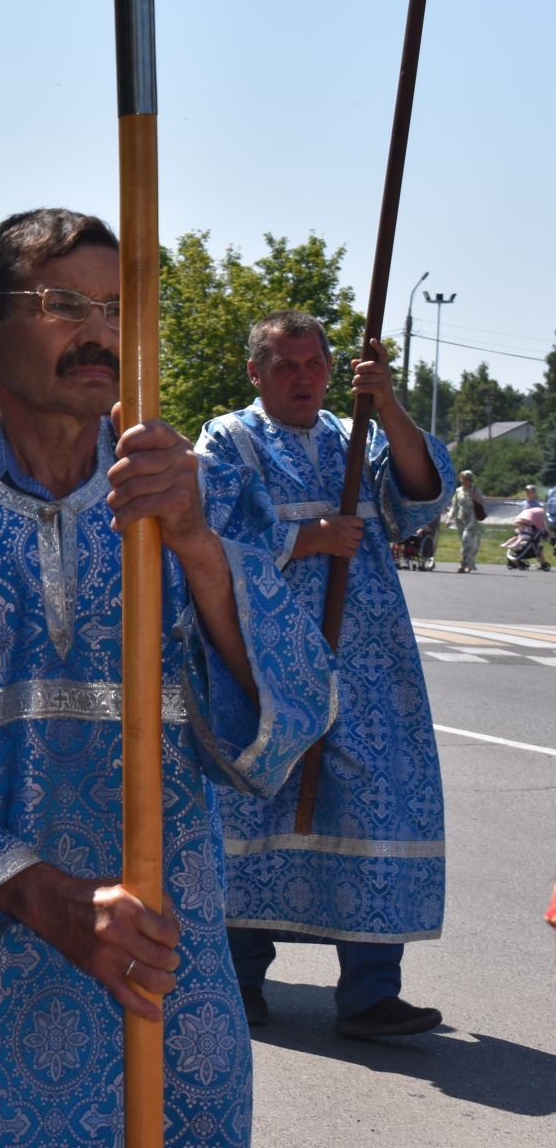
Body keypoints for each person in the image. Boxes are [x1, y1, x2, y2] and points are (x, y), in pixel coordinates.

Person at [0, 207, 335, 1147]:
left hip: (164, 956)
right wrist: (48, 898)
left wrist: (201, 545)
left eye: (115, 308)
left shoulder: (171, 493)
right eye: (62, 304)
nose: (98, 332)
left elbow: (283, 716)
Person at [198, 310, 452, 1037]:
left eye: (314, 365)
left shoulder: (354, 434)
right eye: (285, 365)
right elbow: (211, 533)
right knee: (261, 800)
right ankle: (240, 980)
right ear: (257, 372)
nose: (302, 377)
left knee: (377, 801)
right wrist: (304, 538)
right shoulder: (230, 437)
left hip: (371, 663)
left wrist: (389, 403)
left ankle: (372, 992)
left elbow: (417, 497)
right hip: (266, 656)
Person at [446, 469, 486, 572]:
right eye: (462, 479)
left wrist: (475, 497)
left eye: (465, 479)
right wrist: (449, 518)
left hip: (472, 518)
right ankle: (468, 564)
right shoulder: (458, 491)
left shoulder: (475, 490)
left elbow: (482, 502)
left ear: (470, 480)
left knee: (466, 539)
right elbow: (454, 506)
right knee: (466, 543)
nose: (463, 481)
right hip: (460, 519)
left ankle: (463, 564)